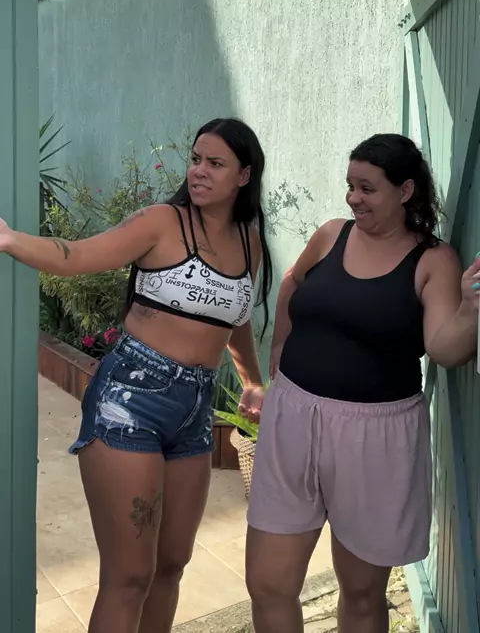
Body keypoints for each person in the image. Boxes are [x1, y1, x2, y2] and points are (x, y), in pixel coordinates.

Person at [0, 117, 272, 633]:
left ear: (244, 175)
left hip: (194, 411)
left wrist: (252, 381)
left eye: (215, 163)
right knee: (128, 577)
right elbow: (78, 257)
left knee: (171, 566)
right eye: (196, 159)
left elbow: (232, 319)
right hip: (130, 400)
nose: (199, 171)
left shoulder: (249, 242)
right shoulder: (162, 223)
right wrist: (10, 239)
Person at [244, 133, 480, 633]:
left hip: (376, 437)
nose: (354, 198)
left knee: (362, 594)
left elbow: (445, 348)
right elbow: (292, 282)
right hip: (293, 421)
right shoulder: (332, 234)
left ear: (405, 190)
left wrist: (469, 310)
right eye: (351, 186)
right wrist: (280, 351)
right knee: (267, 583)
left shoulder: (433, 260)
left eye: (368, 188)